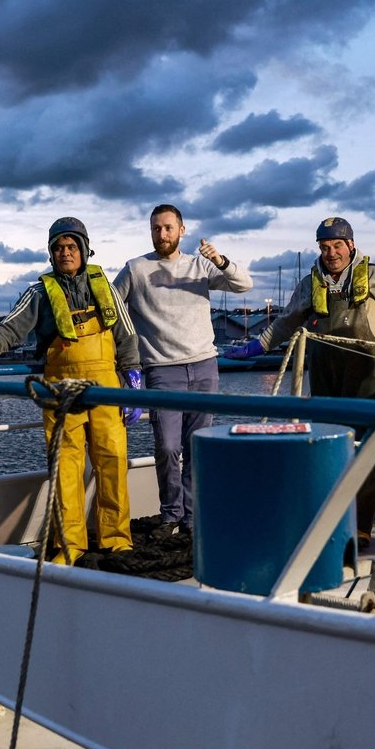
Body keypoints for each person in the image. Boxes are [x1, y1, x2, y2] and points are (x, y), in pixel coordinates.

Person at [0, 217, 144, 563]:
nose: (66, 253)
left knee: (112, 462)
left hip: (108, 388)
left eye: (71, 247)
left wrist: (134, 384)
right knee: (66, 467)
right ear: (51, 254)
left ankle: (116, 539)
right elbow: (10, 329)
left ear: (84, 249)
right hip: (60, 390)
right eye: (59, 248)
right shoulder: (39, 293)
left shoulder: (105, 287)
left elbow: (126, 336)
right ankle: (70, 545)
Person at [224, 216, 375, 548]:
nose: (331, 253)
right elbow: (286, 321)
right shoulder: (311, 283)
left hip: (366, 370)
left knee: (365, 447)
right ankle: (329, 520)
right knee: (325, 443)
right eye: (325, 247)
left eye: (337, 245)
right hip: (325, 370)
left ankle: (362, 526)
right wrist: (257, 346)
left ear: (351, 245)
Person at [114, 204, 254, 536]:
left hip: (204, 366)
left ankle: (191, 517)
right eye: (156, 229)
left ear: (182, 230)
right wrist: (125, 362)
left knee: (197, 447)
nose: (162, 234)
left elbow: (244, 284)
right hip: (162, 369)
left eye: (167, 228)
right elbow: (112, 309)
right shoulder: (135, 269)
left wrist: (219, 259)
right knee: (166, 447)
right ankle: (170, 513)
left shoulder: (200, 266)